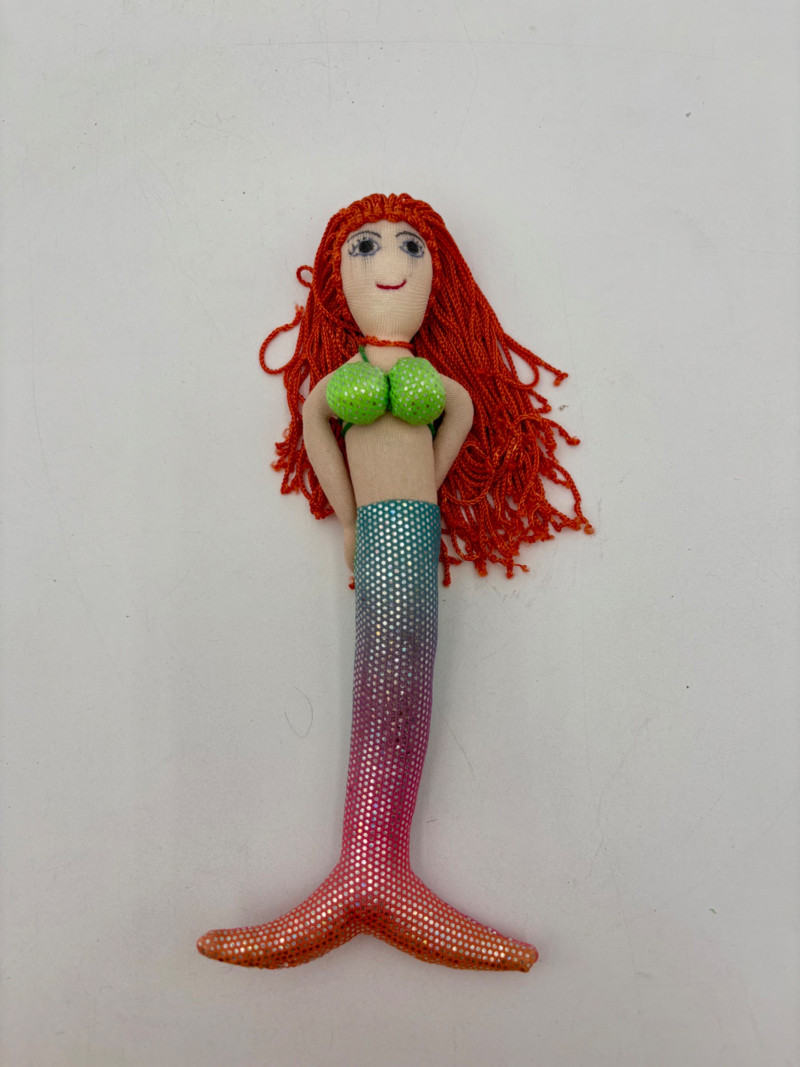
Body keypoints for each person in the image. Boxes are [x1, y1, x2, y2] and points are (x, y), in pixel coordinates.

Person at [197, 193, 591, 971]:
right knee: (382, 665)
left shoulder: (430, 379)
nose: (389, 262)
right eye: (366, 246)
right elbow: (315, 428)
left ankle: (377, 870)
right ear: (335, 277)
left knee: (405, 664)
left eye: (411, 246)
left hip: (415, 523)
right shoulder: (338, 381)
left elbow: (464, 413)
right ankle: (366, 870)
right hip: (377, 526)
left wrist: (430, 489)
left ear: (438, 274)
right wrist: (350, 518)